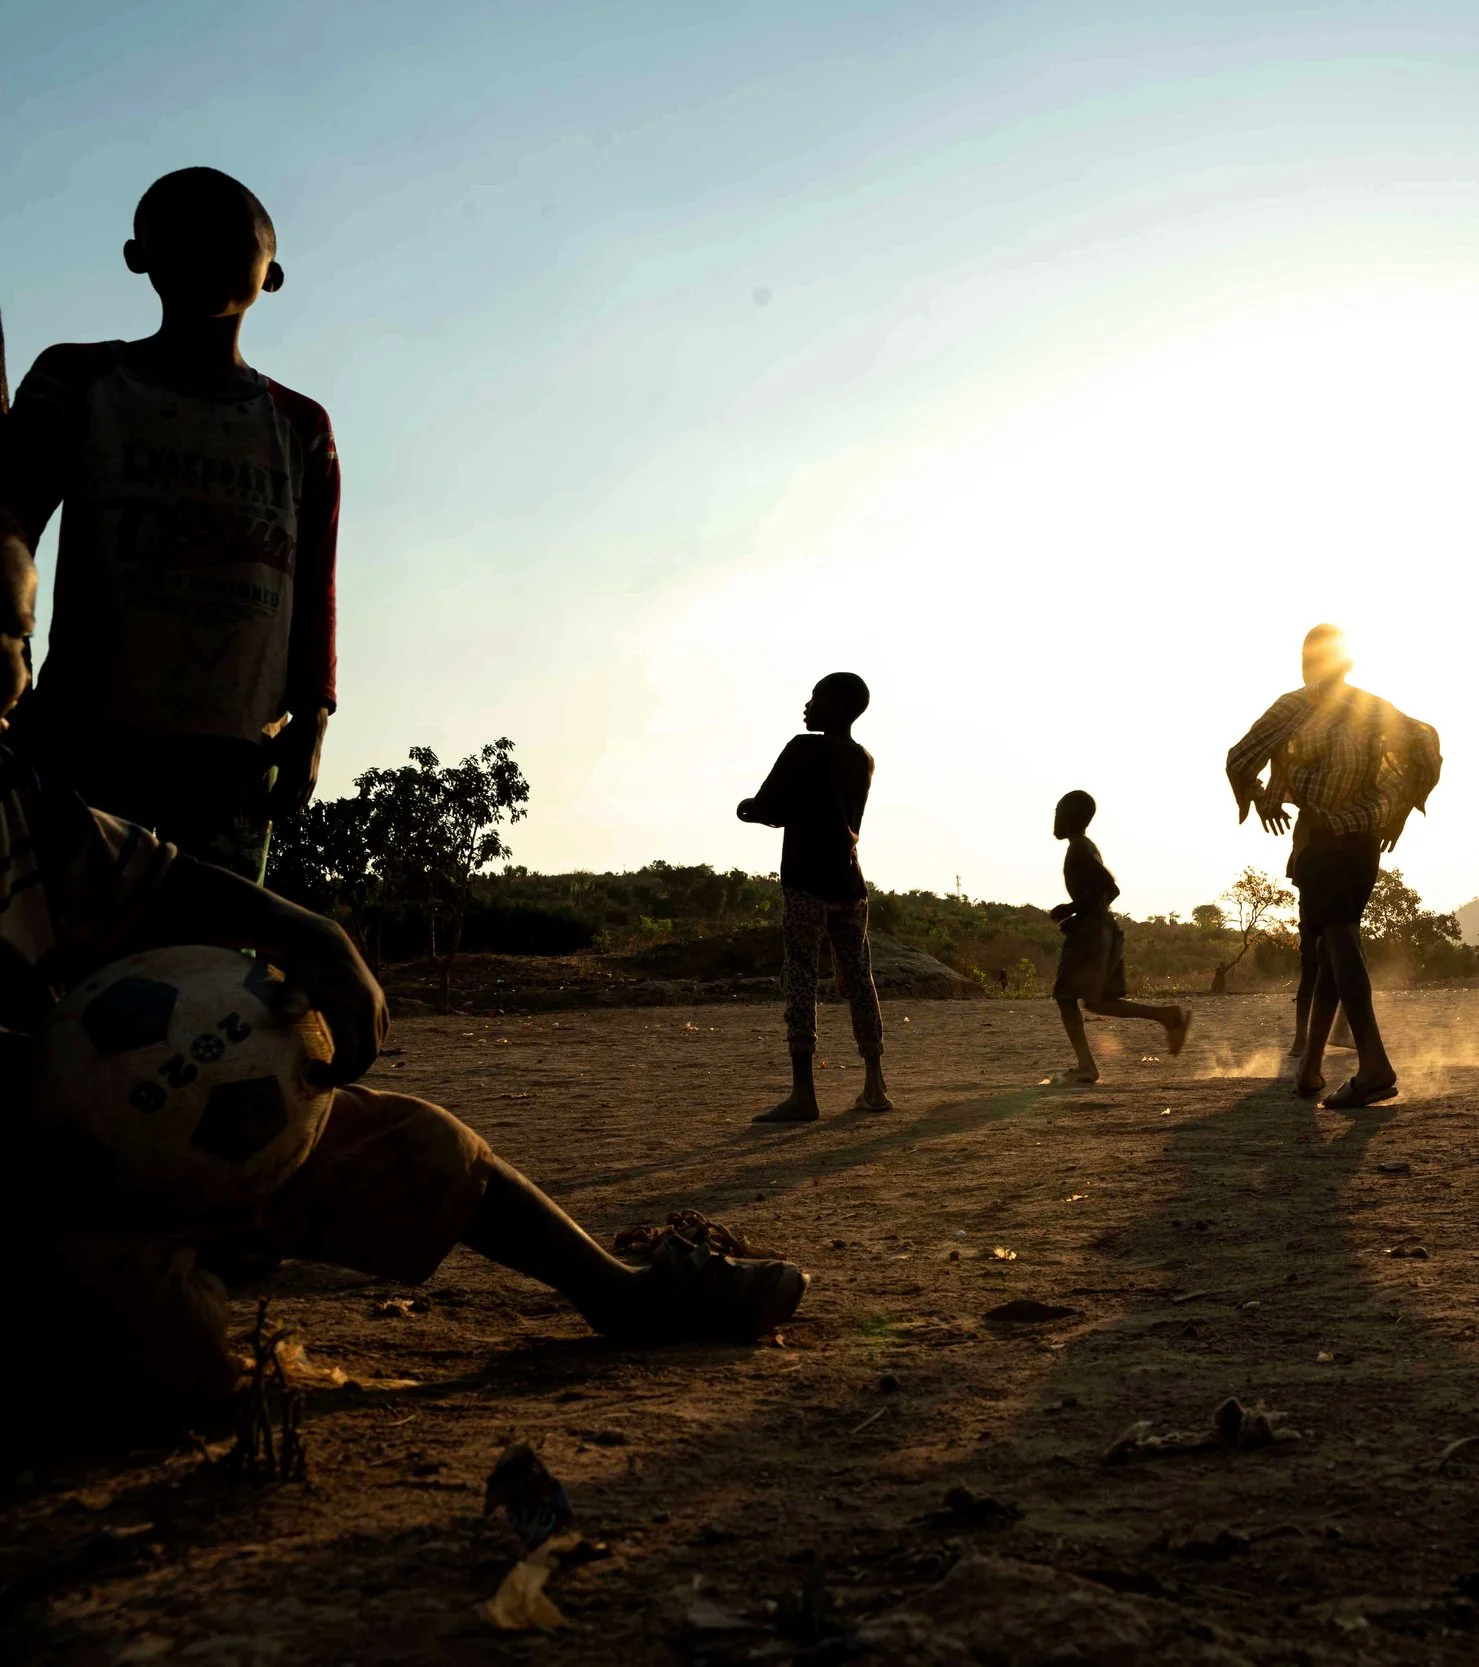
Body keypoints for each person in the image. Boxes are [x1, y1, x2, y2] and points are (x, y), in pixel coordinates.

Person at [0, 519, 806, 1418]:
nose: (11, 666)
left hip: (133, 1130)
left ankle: (615, 1288)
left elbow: (164, 878)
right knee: (164, 1352)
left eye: (18, 635)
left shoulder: (23, 803)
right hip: (36, 1180)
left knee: (426, 1146)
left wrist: (311, 933)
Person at [0, 169, 337, 881]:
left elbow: (314, 589)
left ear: (270, 274)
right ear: (138, 256)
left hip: (235, 757)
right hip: (87, 742)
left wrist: (313, 715)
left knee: (204, 974)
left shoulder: (300, 428)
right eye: (180, 229)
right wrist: (11, 672)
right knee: (74, 957)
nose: (204, 245)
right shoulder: (80, 381)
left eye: (228, 234)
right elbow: (8, 526)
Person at [1226, 624, 1439, 1108]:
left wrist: (1262, 798)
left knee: (1339, 940)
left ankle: (1374, 1065)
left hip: (1321, 837)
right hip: (1365, 843)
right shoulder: (1373, 708)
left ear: (1308, 663)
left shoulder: (1296, 705)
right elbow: (1426, 745)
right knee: (1328, 949)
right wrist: (1400, 811)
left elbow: (1240, 758)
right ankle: (1312, 1069)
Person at [737, 673, 889, 1121]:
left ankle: (804, 1094)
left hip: (806, 880)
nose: (807, 705)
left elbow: (765, 805)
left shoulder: (804, 748)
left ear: (836, 707)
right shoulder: (864, 759)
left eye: (815, 698)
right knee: (860, 978)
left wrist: (748, 810)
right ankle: (875, 1085)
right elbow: (843, 816)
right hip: (850, 884)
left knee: (801, 976)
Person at [1049, 791, 1191, 1081]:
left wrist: (1073, 909)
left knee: (1065, 996)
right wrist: (1082, 914)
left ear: (1073, 817)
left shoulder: (1078, 849)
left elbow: (1107, 884)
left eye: (1060, 812)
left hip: (1092, 935)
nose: (1056, 818)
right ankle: (1168, 1016)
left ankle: (1086, 1067)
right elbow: (1110, 891)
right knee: (1098, 1002)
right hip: (1103, 930)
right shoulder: (1086, 847)